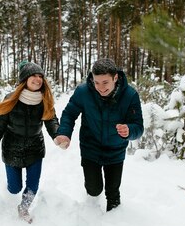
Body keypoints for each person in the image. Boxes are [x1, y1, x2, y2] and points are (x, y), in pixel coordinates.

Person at [55, 58, 143, 212]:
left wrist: (129, 130)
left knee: (113, 193)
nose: (100, 88)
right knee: (93, 189)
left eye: (105, 82)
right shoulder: (83, 92)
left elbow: (138, 126)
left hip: (116, 151)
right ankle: (92, 208)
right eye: (97, 82)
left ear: (115, 78)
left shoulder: (130, 95)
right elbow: (69, 113)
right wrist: (64, 133)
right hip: (91, 148)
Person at [0, 61, 59, 223]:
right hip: (12, 149)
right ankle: (9, 191)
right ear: (24, 79)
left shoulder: (45, 100)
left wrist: (58, 136)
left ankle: (23, 208)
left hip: (35, 148)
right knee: (14, 188)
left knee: (32, 185)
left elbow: (51, 121)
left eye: (40, 76)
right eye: (33, 76)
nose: (38, 79)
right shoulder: (10, 100)